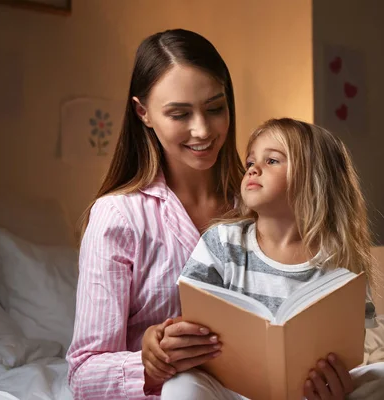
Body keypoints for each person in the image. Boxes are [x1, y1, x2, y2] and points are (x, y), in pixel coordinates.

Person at [158, 118, 384, 400]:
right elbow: (191, 315)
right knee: (181, 385)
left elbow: (350, 353)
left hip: (306, 394)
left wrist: (331, 383)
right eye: (251, 161)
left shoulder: (341, 263)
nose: (253, 168)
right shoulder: (221, 242)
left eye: (272, 160)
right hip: (232, 391)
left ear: (315, 179)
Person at [66, 29, 245, 399]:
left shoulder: (257, 207)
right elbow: (84, 373)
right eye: (179, 113)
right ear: (143, 113)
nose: (203, 129)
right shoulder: (118, 217)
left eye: (215, 108)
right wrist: (147, 365)